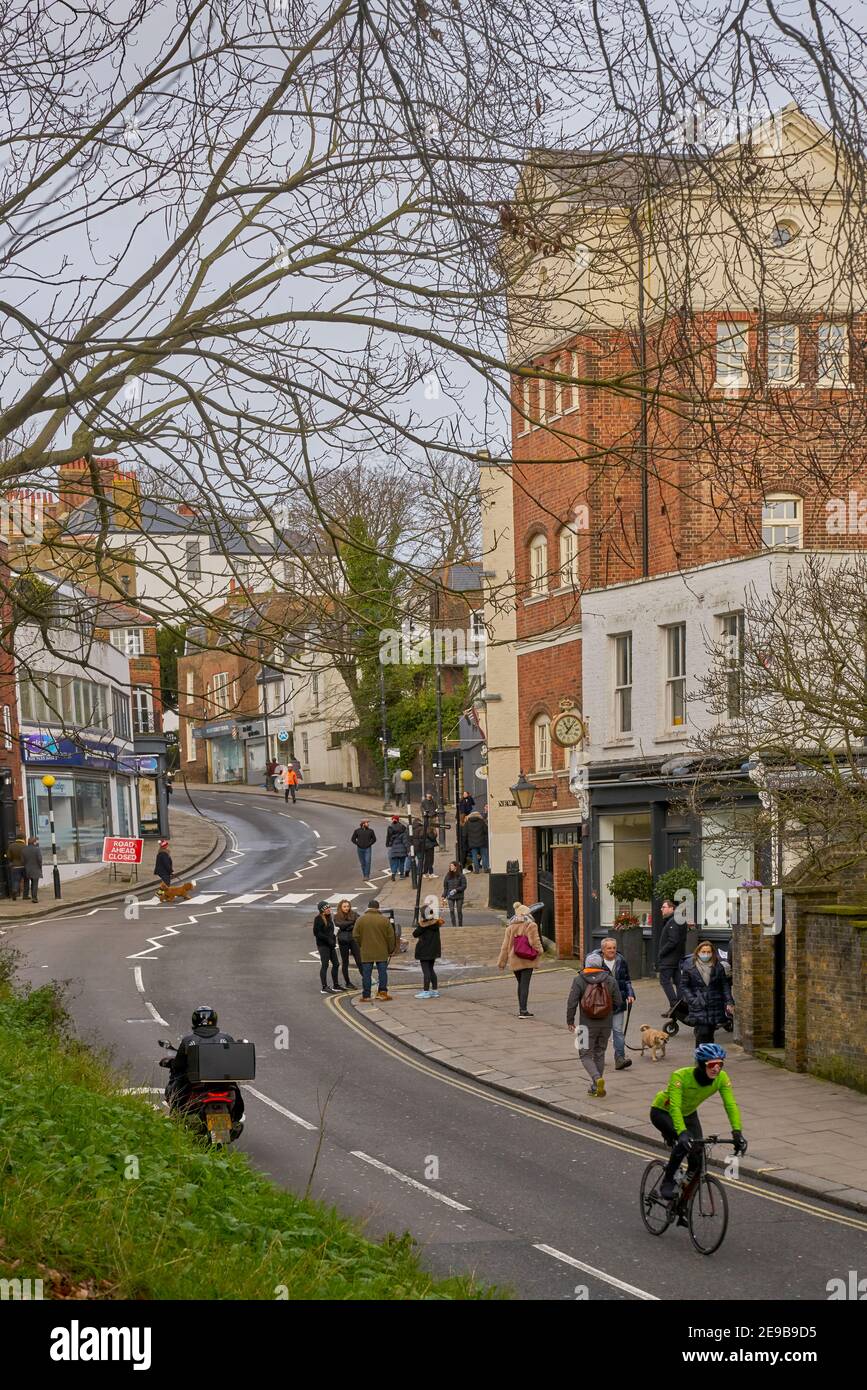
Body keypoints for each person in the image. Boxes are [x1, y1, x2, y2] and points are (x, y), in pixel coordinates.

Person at [650, 1042, 747, 1199]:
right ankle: (667, 1183)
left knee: (698, 1159)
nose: (717, 1068)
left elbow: (730, 1105)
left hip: (689, 1114)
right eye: (712, 1064)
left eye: (720, 1064)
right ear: (702, 1065)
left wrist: (737, 1132)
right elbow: (675, 1107)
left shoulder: (721, 1078)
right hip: (663, 1112)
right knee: (684, 1144)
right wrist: (682, 1133)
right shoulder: (680, 1076)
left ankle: (683, 1204)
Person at [162, 1005, 245, 1130]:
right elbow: (233, 1060)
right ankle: (235, 1120)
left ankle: (175, 1119)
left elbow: (179, 1065)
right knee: (236, 1090)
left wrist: (173, 1065)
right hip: (222, 1082)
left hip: (196, 1084)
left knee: (175, 1088)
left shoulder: (188, 1040)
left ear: (195, 1021)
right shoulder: (226, 1038)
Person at [566, 950, 623, 1097]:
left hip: (585, 1025)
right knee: (600, 1052)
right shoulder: (610, 979)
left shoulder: (579, 979)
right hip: (606, 1024)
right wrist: (608, 1012)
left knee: (584, 1054)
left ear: (586, 965)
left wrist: (570, 1020)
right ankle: (595, 1086)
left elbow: (572, 1002)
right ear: (600, 965)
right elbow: (618, 1002)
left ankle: (597, 1079)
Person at [679, 941, 735, 1046]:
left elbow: (724, 986)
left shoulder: (718, 967)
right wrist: (692, 999)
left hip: (715, 1004)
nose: (706, 954)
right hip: (699, 1004)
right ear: (698, 952)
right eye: (703, 951)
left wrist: (729, 1001)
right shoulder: (690, 966)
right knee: (702, 1033)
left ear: (712, 953)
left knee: (710, 1034)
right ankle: (701, 1059)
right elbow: (684, 986)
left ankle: (707, 1058)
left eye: (708, 952)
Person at [497, 902, 544, 1018]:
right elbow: (534, 942)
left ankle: (521, 1009)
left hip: (514, 960)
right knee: (525, 985)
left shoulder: (510, 927)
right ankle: (523, 1011)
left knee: (520, 984)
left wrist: (502, 962)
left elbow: (504, 946)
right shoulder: (531, 925)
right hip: (527, 959)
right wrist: (540, 951)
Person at [599, 935, 636, 1070]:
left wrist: (630, 994)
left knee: (618, 1031)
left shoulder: (621, 961)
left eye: (614, 948)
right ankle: (598, 1056)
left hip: (618, 1002)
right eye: (609, 948)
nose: (612, 950)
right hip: (602, 1004)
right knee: (603, 1032)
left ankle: (620, 1058)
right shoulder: (597, 963)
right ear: (603, 949)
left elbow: (627, 980)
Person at [353, 899, 395, 1002]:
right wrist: (390, 950)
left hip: (366, 951)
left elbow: (355, 935)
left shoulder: (360, 920)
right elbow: (391, 937)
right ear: (378, 908)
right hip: (382, 951)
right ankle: (382, 993)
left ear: (368, 907)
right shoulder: (384, 920)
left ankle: (366, 995)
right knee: (382, 973)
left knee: (366, 974)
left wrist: (361, 945)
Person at [656, 896, 688, 1013]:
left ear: (672, 908)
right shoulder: (678, 920)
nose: (661, 909)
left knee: (664, 980)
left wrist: (662, 952)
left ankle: (675, 1004)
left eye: (664, 907)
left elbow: (673, 941)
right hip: (677, 957)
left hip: (669, 958)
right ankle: (681, 1004)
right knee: (678, 981)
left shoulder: (673, 921)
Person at [413, 900, 443, 998]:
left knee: (426, 971)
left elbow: (415, 934)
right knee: (431, 969)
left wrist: (420, 923)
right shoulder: (436, 924)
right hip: (434, 950)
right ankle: (435, 990)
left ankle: (426, 991)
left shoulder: (423, 925)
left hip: (424, 950)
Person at [313, 900, 341, 994]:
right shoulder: (318, 919)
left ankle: (336, 985)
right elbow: (317, 933)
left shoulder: (329, 917)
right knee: (325, 965)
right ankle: (324, 987)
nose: (329, 909)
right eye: (327, 908)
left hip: (330, 945)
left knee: (336, 964)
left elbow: (331, 931)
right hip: (323, 945)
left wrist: (333, 937)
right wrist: (328, 939)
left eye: (329, 907)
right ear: (322, 910)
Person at [334, 899, 362, 988]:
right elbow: (340, 925)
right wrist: (351, 923)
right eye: (344, 906)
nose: (346, 908)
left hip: (353, 940)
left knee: (359, 960)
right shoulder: (337, 916)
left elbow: (359, 922)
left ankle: (366, 979)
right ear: (340, 907)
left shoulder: (354, 914)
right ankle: (348, 982)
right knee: (345, 962)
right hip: (343, 941)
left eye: (348, 906)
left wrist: (346, 925)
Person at [442, 861, 467, 926]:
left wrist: (456, 890)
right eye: (450, 866)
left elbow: (464, 886)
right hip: (450, 895)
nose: (450, 867)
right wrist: (444, 895)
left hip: (459, 896)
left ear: (456, 867)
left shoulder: (461, 875)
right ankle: (454, 925)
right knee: (451, 910)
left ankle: (460, 925)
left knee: (459, 910)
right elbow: (445, 887)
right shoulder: (448, 875)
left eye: (452, 866)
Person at [21, 836, 43, 903]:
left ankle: (26, 895)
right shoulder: (37, 849)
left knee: (29, 882)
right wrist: (40, 867)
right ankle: (34, 898)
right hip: (36, 868)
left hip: (27, 869)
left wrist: (26, 865)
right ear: (34, 842)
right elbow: (40, 859)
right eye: (36, 841)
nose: (36, 842)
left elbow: (22, 861)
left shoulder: (24, 850)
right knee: (35, 884)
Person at [8, 832, 26, 899]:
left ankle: (15, 890)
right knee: (26, 880)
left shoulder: (11, 846)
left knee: (16, 880)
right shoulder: (25, 846)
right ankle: (25, 895)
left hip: (15, 866)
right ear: (23, 838)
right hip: (24, 866)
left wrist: (12, 861)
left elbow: (9, 856)